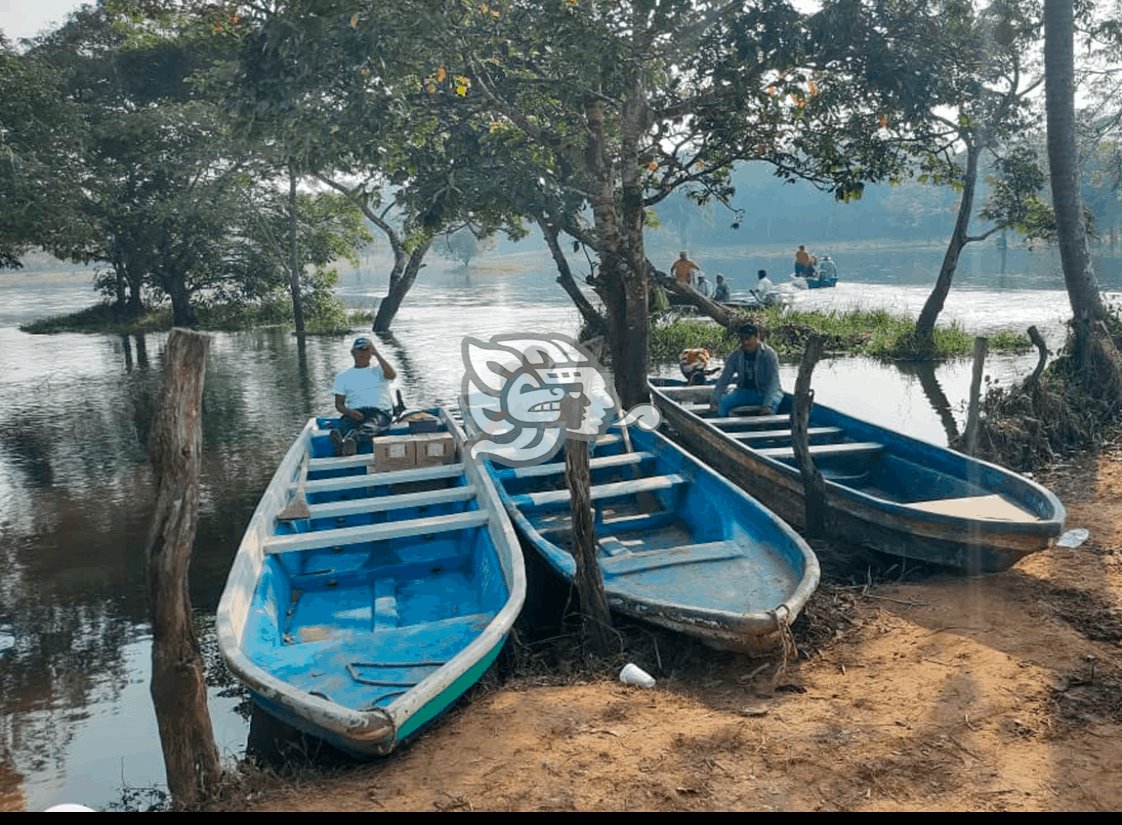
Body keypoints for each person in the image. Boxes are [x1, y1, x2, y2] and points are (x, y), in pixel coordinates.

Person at [331, 336, 398, 456]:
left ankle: (351, 442)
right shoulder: (342, 377)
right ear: (353, 353)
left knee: (370, 426)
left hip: (379, 411)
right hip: (355, 412)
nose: (363, 353)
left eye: (366, 350)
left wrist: (377, 353)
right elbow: (339, 404)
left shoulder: (379, 370)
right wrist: (350, 412)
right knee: (345, 426)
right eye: (359, 350)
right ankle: (340, 442)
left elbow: (392, 375)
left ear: (371, 353)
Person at [710, 322, 783, 417]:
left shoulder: (769, 355)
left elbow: (774, 382)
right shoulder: (735, 356)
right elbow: (724, 379)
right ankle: (722, 427)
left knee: (770, 408)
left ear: (757, 337)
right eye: (742, 339)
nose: (745, 342)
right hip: (744, 392)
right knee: (723, 403)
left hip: (766, 392)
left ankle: (766, 428)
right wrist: (715, 399)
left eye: (748, 338)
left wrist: (767, 405)